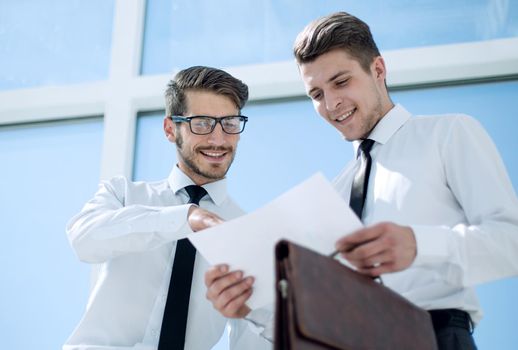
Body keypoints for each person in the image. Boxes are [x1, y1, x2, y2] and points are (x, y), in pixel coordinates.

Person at [204, 12, 518, 349]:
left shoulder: (447, 134)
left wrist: (419, 245)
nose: (331, 103)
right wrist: (249, 307)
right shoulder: (334, 195)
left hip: (434, 336)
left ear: (378, 70)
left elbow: (510, 241)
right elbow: (317, 317)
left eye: (341, 82)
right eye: (316, 94)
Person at [64, 66, 271, 350]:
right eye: (202, 123)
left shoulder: (247, 233)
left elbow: (251, 343)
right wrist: (186, 218)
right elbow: (83, 239)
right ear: (170, 129)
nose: (218, 139)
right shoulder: (123, 195)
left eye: (230, 124)